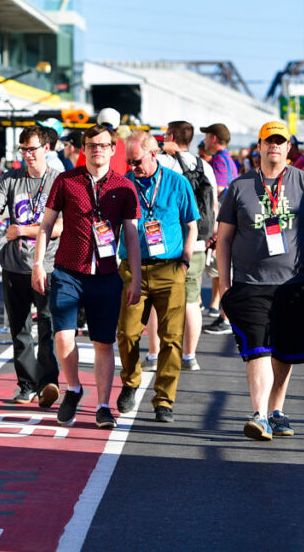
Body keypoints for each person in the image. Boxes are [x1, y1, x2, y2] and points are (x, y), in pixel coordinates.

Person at [216, 121, 304, 441]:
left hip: (295, 282)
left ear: (289, 147)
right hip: (251, 282)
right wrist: (224, 284)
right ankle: (259, 414)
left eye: (281, 142)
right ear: (260, 145)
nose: (275, 147)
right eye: (269, 141)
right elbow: (223, 239)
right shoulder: (239, 187)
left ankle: (276, 410)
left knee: (284, 350)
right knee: (258, 347)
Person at [32, 124, 142, 430]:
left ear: (111, 149)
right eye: (91, 145)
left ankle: (104, 406)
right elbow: (46, 225)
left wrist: (135, 277)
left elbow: (131, 236)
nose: (96, 150)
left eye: (102, 145)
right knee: (63, 335)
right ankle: (74, 388)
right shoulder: (66, 181)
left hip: (106, 275)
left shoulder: (124, 186)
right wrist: (38, 263)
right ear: (84, 149)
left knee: (103, 343)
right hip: (68, 272)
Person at [0, 125, 62, 406]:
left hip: (48, 264)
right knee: (20, 328)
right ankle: (26, 384)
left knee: (49, 326)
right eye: (23, 150)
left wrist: (24, 231)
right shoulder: (10, 180)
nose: (27, 155)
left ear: (46, 149)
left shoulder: (59, 181)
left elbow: (62, 226)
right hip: (14, 265)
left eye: (32, 149)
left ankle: (48, 383)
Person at [116, 131, 199, 423]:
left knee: (172, 338)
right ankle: (131, 381)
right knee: (126, 333)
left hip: (169, 268)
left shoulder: (177, 183)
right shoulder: (124, 184)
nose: (132, 167)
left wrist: (186, 260)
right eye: (128, 161)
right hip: (132, 267)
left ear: (153, 154)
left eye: (136, 161)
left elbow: (192, 225)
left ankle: (164, 400)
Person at [157, 120, 219, 371]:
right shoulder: (204, 166)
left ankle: (157, 354)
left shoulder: (163, 163)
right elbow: (214, 206)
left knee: (160, 300)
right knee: (192, 300)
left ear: (171, 135)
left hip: (167, 242)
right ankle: (190, 356)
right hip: (198, 243)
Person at [200, 123, 239, 335]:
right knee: (222, 271)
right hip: (227, 223)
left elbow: (219, 192)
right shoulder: (226, 159)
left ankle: (226, 318)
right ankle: (223, 315)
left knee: (224, 271)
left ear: (214, 138)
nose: (204, 140)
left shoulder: (220, 161)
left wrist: (213, 227)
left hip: (223, 224)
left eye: (207, 136)